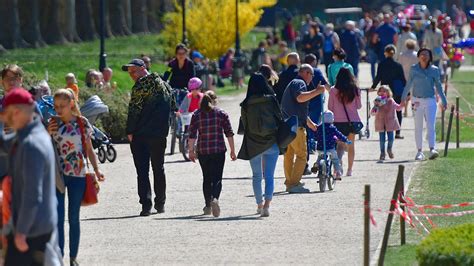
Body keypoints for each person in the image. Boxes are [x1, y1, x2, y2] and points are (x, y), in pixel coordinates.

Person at [47, 88, 105, 266]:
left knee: (73, 217)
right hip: (57, 176)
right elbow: (45, 148)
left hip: (78, 175)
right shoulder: (52, 124)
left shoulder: (82, 122)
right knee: (57, 218)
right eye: (56, 106)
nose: (58, 110)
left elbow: (88, 148)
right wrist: (46, 132)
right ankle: (59, 256)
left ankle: (73, 257)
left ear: (71, 104)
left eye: (62, 106)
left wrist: (96, 170)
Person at [0, 89, 57, 266]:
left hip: (31, 231)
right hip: (37, 225)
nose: (6, 121)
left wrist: (21, 233)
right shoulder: (32, 133)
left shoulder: (31, 144)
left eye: (7, 116)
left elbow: (32, 194)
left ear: (16, 112)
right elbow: (3, 143)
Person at [122, 58, 176, 216]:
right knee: (159, 168)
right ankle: (160, 204)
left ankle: (146, 205)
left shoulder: (141, 84)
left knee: (142, 171)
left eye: (133, 70)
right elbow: (174, 106)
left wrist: (129, 130)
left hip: (141, 134)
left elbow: (134, 109)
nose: (131, 74)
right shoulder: (165, 84)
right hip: (160, 133)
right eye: (129, 72)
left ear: (143, 68)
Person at [238, 72, 281, 217]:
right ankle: (267, 206)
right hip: (271, 142)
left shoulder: (246, 104)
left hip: (253, 144)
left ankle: (259, 204)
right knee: (269, 175)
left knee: (256, 176)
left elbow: (245, 124)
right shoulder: (271, 100)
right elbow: (279, 117)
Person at [188, 91, 236, 217]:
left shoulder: (196, 115)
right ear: (213, 101)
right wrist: (232, 150)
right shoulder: (221, 113)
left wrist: (191, 151)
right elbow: (229, 133)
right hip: (218, 150)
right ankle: (215, 198)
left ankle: (208, 205)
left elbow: (192, 135)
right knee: (217, 178)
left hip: (203, 151)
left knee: (206, 178)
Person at [281, 64, 325, 193]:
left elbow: (299, 109)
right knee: (302, 155)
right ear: (306, 72)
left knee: (288, 155)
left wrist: (310, 124)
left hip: (287, 125)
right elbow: (300, 98)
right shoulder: (300, 82)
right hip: (296, 127)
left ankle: (290, 182)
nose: (312, 78)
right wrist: (317, 91)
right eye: (312, 75)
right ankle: (294, 184)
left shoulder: (293, 83)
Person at [401, 48, 447, 160]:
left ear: (430, 57)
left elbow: (439, 86)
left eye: (426, 54)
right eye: (422, 54)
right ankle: (419, 151)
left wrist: (444, 100)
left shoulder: (434, 70)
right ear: (418, 56)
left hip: (430, 100)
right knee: (418, 126)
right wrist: (403, 98)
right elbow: (409, 84)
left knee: (431, 125)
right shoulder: (413, 69)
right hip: (417, 100)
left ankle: (432, 148)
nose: (424, 56)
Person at [328, 67, 362, 177]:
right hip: (352, 121)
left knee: (340, 146)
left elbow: (330, 107)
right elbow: (359, 106)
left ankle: (337, 169)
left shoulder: (333, 90)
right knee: (351, 146)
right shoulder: (355, 89)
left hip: (338, 122)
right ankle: (349, 170)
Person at [371, 45, 406, 139]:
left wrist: (373, 87)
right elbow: (403, 79)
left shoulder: (382, 64)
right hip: (395, 91)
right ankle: (397, 132)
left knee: (383, 110)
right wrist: (407, 92)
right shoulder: (398, 65)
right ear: (394, 53)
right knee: (397, 111)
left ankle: (385, 130)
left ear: (385, 53)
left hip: (384, 92)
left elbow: (378, 77)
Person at [304, 54, 330, 174]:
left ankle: (309, 143)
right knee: (315, 123)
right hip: (316, 102)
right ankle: (313, 143)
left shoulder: (303, 72)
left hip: (304, 101)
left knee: (306, 123)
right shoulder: (317, 71)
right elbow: (325, 84)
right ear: (313, 62)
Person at [312, 111, 351, 180]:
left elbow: (315, 136)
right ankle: (338, 173)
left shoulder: (319, 128)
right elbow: (339, 135)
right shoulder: (332, 128)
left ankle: (316, 164)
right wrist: (346, 140)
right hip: (330, 148)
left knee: (320, 157)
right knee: (335, 160)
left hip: (320, 148)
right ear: (332, 119)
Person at [372, 86, 403, 161]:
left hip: (390, 122)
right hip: (381, 122)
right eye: (381, 91)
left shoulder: (391, 101)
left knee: (391, 139)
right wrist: (376, 107)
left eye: (384, 91)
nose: (382, 93)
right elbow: (373, 112)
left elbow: (398, 108)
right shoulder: (377, 101)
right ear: (378, 92)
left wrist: (402, 104)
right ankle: (382, 153)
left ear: (388, 93)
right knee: (382, 140)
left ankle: (389, 149)